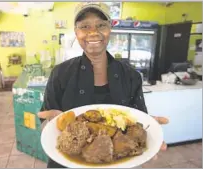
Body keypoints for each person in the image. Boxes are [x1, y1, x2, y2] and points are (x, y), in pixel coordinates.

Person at [38, 2, 169, 168]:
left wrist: (148, 136)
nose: (93, 32)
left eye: (101, 25)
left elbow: (139, 120)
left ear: (110, 29)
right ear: (76, 32)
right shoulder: (60, 73)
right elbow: (45, 124)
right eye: (84, 26)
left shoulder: (131, 76)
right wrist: (50, 126)